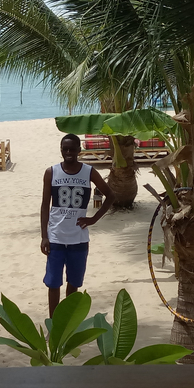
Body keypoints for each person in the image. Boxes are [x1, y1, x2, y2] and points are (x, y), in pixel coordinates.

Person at [40, 133, 113, 316]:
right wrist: (44, 236)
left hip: (78, 239)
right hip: (56, 237)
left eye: (72, 149)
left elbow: (110, 196)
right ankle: (54, 324)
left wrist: (93, 219)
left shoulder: (88, 172)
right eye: (65, 149)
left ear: (79, 150)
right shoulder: (51, 172)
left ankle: (67, 322)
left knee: (73, 283)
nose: (68, 152)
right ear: (61, 150)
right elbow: (45, 205)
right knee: (53, 283)